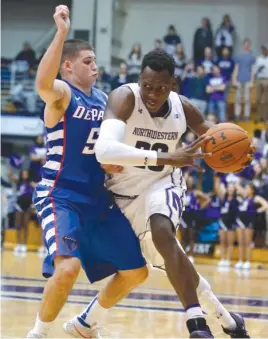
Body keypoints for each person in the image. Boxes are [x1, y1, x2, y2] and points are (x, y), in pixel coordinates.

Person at [70, 50, 252, 338]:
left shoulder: (185, 109)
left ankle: (196, 323)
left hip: (163, 183)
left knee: (163, 231)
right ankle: (228, 320)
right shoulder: (124, 97)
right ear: (139, 79)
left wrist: (239, 154)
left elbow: (215, 141)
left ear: (174, 84)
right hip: (122, 193)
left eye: (161, 88)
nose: (153, 94)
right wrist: (167, 157)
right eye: (147, 86)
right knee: (170, 260)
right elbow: (103, 150)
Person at [27, 5, 149, 338]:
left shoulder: (107, 101)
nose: (95, 66)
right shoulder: (63, 95)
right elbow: (42, 83)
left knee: (137, 271)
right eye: (87, 61)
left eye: (95, 61)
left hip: (100, 199)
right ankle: (37, 333)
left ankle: (83, 323)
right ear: (67, 66)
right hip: (62, 194)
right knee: (67, 268)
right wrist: (61, 33)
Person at [235, 183, 268, 269]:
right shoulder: (244, 198)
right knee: (240, 242)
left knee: (247, 242)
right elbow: (237, 186)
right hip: (240, 220)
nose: (245, 189)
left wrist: (258, 210)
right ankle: (240, 260)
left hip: (249, 221)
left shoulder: (255, 198)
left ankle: (248, 261)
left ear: (252, 190)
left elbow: (265, 205)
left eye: (247, 188)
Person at [232, 39, 256, 121]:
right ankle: (237, 115)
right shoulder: (239, 56)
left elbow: (253, 70)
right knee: (238, 99)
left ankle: (246, 116)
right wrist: (234, 79)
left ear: (249, 45)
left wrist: (252, 81)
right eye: (245, 44)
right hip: (239, 79)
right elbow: (236, 68)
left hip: (248, 80)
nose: (246, 46)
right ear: (243, 45)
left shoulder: (252, 56)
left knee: (247, 99)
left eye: (248, 44)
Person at [217, 183, 238, 267]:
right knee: (222, 242)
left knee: (230, 242)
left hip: (231, 223)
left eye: (232, 188)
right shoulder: (223, 198)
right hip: (222, 222)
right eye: (228, 187)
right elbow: (218, 189)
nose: (230, 189)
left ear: (234, 190)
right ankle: (222, 259)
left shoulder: (236, 200)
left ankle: (228, 259)